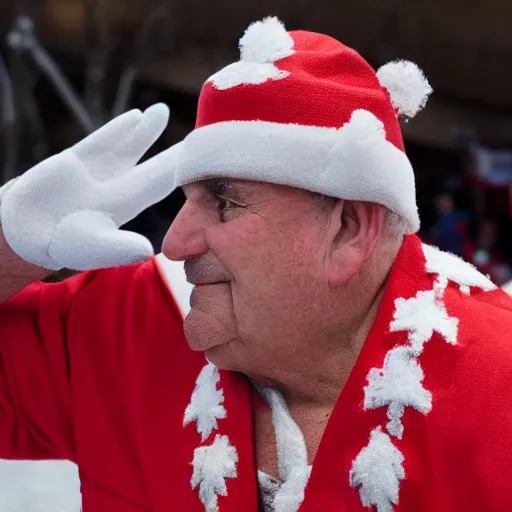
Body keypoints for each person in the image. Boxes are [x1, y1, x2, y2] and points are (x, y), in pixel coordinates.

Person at [1, 16, 512, 512]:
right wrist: (6, 245)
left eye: (223, 200)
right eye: (186, 198)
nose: (175, 242)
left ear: (349, 229)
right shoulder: (132, 322)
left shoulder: (497, 388)